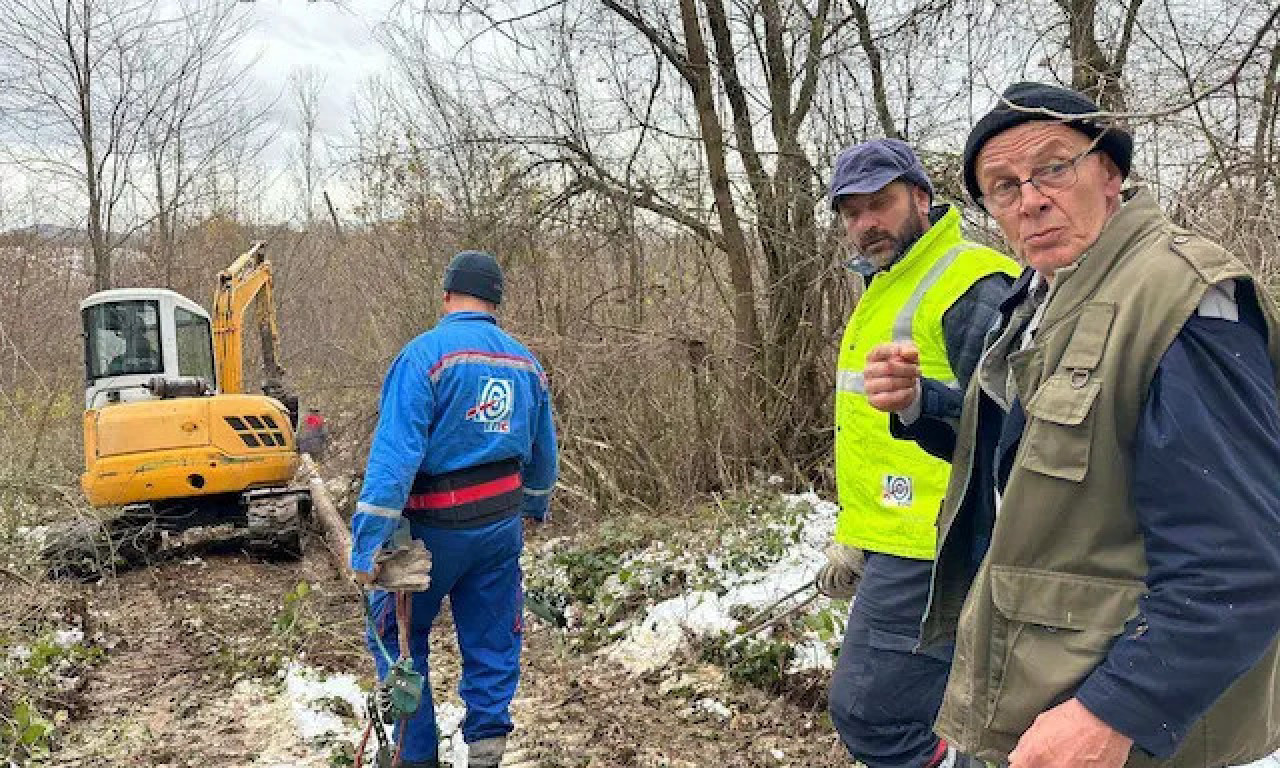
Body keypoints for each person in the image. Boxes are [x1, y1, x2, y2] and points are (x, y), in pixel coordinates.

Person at [863, 82, 1280, 768]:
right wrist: (918, 405)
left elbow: (1236, 565)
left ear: (1110, 171)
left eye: (1053, 167)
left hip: (1135, 727)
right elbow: (1022, 454)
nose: (1029, 199)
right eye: (1002, 187)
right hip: (1042, 684)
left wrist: (1115, 711)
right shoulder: (1042, 296)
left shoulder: (1182, 301)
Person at [819, 138, 1019, 768]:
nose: (865, 223)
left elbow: (1016, 424)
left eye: (880, 203)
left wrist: (922, 403)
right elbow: (875, 439)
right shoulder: (882, 288)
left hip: (940, 542)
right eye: (851, 212)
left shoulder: (970, 281)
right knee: (935, 703)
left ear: (922, 198)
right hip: (896, 539)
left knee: (871, 712)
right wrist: (857, 535)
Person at [350, 250, 558, 768]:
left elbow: (395, 458)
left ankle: (413, 755)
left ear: (445, 295)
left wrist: (367, 540)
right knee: (492, 637)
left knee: (401, 640)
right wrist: (535, 504)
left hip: (430, 532)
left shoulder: (424, 357)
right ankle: (486, 751)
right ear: (495, 302)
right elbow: (543, 450)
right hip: (499, 528)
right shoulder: (524, 362)